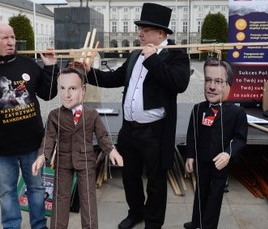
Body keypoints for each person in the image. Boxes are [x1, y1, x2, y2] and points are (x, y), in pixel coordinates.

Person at [74, 3, 190, 228]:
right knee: (130, 176)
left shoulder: (176, 55)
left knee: (156, 182)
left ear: (160, 33)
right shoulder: (136, 55)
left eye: (145, 30)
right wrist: (89, 73)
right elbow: (115, 78)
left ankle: (154, 222)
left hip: (155, 132)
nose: (139, 33)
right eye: (140, 29)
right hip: (130, 130)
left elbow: (179, 83)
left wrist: (153, 59)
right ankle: (136, 212)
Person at [0, 22, 59, 229]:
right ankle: (11, 226)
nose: (11, 42)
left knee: (36, 188)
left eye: (12, 37)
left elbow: (48, 93)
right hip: (1, 147)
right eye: (5, 38)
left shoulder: (28, 65)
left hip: (32, 143)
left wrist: (51, 67)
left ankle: (39, 225)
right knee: (6, 191)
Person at [31, 67, 124, 229]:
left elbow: (102, 135)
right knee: (60, 198)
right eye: (62, 88)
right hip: (63, 162)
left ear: (83, 90)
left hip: (85, 161)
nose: (67, 94)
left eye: (72, 89)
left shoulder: (91, 114)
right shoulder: (55, 115)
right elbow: (49, 138)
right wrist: (42, 156)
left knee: (88, 198)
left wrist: (111, 150)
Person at [183, 58, 248, 229]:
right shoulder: (198, 109)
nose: (212, 86)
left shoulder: (237, 113)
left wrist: (228, 153)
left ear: (229, 85)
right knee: (200, 192)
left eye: (218, 81)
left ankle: (208, 225)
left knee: (214, 196)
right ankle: (196, 221)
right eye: (208, 80)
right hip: (202, 161)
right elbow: (192, 134)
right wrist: (190, 155)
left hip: (220, 165)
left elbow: (240, 138)